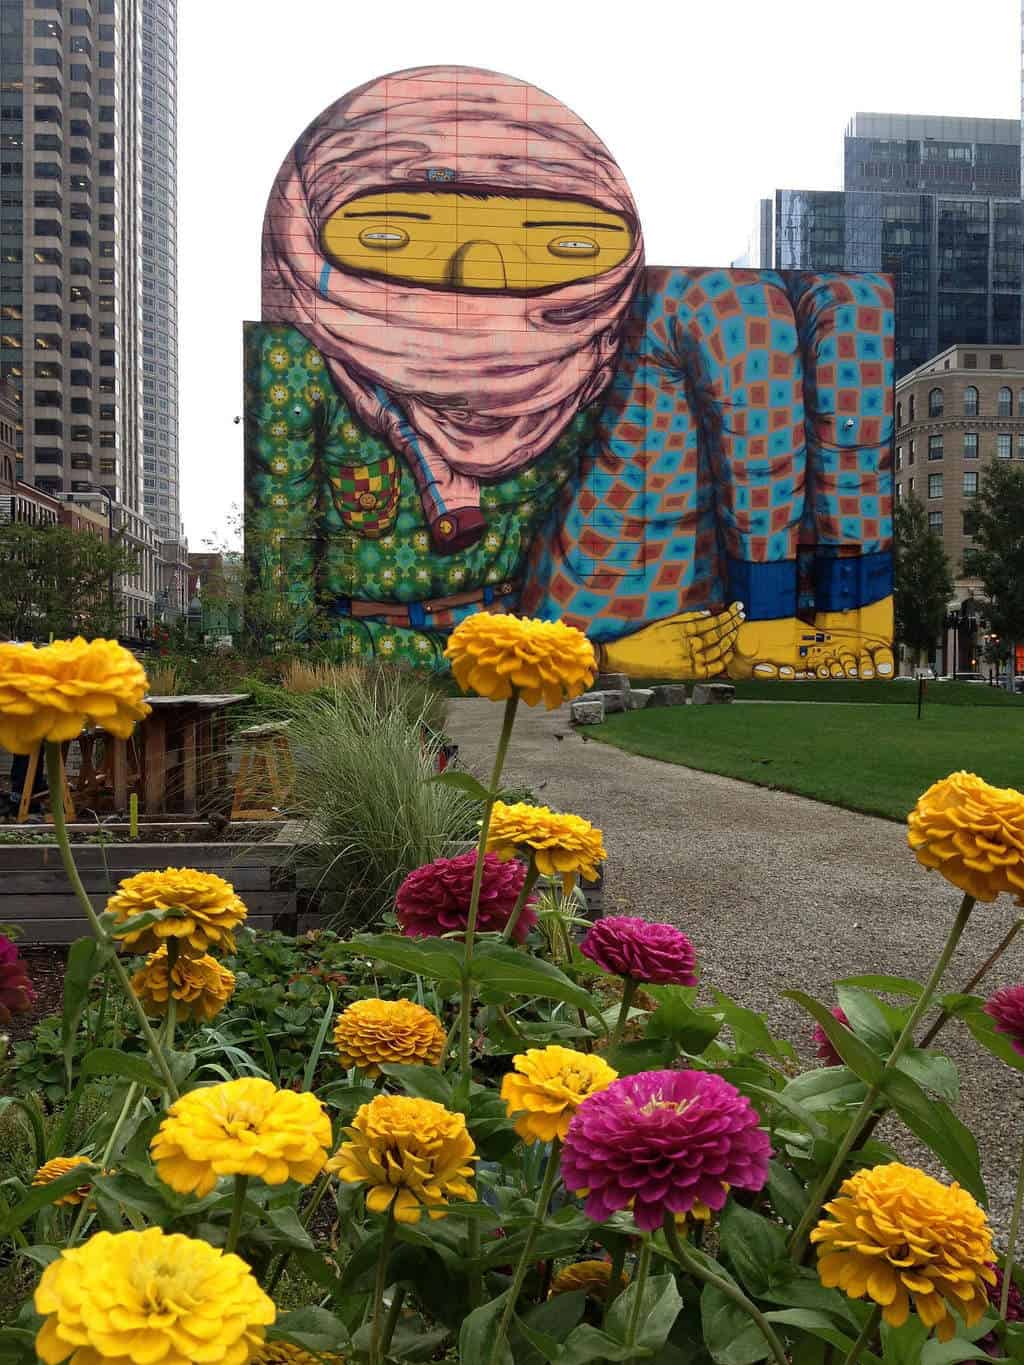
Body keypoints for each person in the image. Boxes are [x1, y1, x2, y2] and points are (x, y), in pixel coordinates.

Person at [246, 66, 894, 680]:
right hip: (507, 634)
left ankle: (816, 614)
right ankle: (768, 620)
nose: (481, 269)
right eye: (393, 236)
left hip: (555, 588)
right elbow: (285, 631)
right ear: (309, 232)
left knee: (802, 305)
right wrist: (601, 660)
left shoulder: (583, 344)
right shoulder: (299, 367)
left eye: (569, 242)